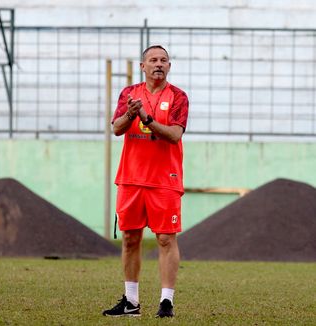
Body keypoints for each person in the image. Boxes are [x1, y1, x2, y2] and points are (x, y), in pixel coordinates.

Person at [102, 45, 189, 318]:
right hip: (131, 178)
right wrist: (130, 114)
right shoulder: (129, 94)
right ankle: (131, 301)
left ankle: (166, 302)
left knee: (165, 239)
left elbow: (174, 135)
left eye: (163, 60)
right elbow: (116, 128)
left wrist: (146, 119)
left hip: (165, 179)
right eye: (153, 60)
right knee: (130, 239)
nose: (158, 64)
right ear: (143, 66)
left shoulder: (178, 97)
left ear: (169, 66)